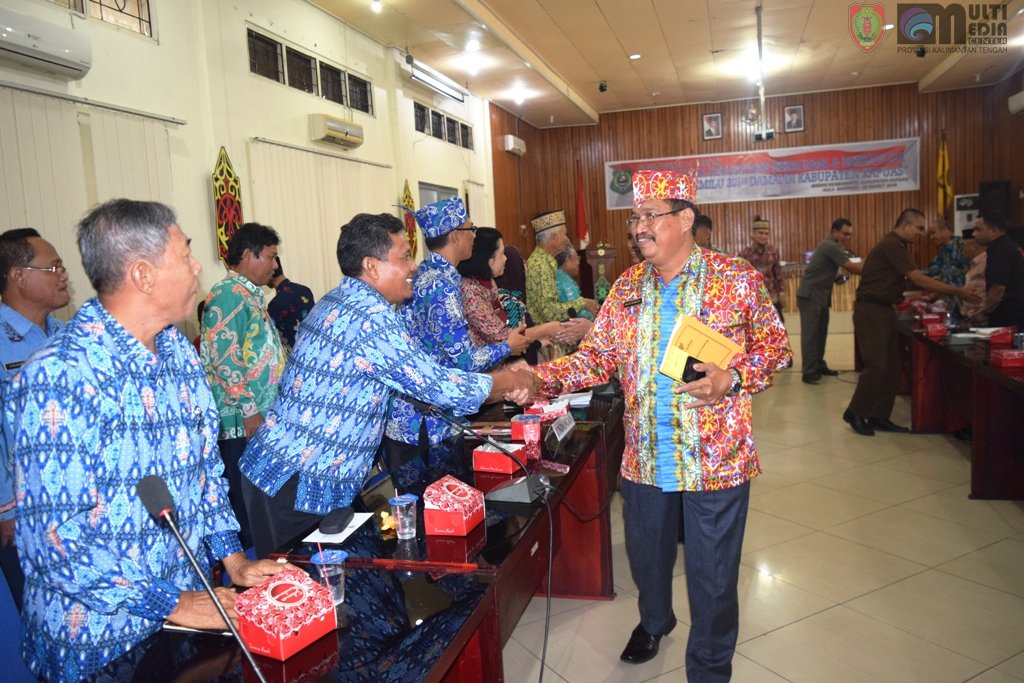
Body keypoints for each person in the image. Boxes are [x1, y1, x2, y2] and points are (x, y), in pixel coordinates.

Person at [5, 199, 284, 681]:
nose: (199, 267)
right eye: (185, 255)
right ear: (143, 275)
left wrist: (233, 559)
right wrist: (173, 602)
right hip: (100, 642)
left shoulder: (176, 348)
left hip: (183, 620)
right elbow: (54, 543)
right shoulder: (61, 377)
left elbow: (205, 471)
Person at [532, 170, 791, 679]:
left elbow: (776, 350)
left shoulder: (735, 278)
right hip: (645, 456)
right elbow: (596, 359)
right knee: (647, 560)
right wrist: (536, 379)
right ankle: (654, 621)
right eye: (635, 218)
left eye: (651, 216)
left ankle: (711, 667)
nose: (638, 228)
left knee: (713, 576)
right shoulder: (627, 285)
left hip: (716, 458)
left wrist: (732, 379)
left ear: (686, 218)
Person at [240, 213, 537, 558]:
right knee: (310, 596)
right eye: (404, 257)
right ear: (371, 266)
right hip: (293, 482)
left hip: (303, 477)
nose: (413, 267)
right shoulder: (368, 318)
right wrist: (510, 381)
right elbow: (439, 385)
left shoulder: (345, 300)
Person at [843, 209, 981, 437]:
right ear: (905, 225)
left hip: (884, 310)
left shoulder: (899, 247)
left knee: (892, 368)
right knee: (877, 366)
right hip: (871, 311)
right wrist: (957, 290)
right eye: (918, 228)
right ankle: (855, 412)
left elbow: (908, 280)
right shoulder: (891, 245)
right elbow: (916, 278)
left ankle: (879, 416)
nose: (921, 234)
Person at [201, 222, 286, 548]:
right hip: (241, 420)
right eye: (270, 257)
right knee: (245, 498)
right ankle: (249, 565)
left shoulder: (245, 295)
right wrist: (250, 411)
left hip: (258, 414)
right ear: (249, 256)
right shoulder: (227, 295)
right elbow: (226, 359)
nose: (275, 265)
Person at [0, 229, 70, 614]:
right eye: (53, 266)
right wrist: (4, 508)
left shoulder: (67, 336)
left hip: (79, 504)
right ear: (17, 275)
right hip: (27, 511)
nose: (63, 274)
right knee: (44, 616)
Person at [457, 227, 562, 349]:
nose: (506, 259)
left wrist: (538, 340)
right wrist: (547, 329)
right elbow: (503, 337)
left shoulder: (488, 283)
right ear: (488, 260)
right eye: (502, 254)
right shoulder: (470, 292)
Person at [796, 218, 864, 384]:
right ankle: (809, 372)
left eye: (850, 235)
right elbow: (853, 267)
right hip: (811, 296)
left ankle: (818, 364)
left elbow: (826, 271)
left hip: (820, 296)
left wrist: (837, 277)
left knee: (820, 334)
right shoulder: (830, 246)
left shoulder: (833, 246)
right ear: (834, 231)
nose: (847, 237)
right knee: (811, 335)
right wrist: (877, 268)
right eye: (845, 234)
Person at [525, 209, 598, 325]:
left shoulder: (545, 262)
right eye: (564, 234)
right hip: (548, 338)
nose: (567, 239)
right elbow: (549, 313)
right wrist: (583, 303)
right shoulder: (540, 266)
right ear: (554, 237)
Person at [972, 211, 1024, 330]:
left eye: (978, 230)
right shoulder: (1007, 245)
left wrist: (984, 313)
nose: (974, 234)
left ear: (993, 230)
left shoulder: (1001, 250)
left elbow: (998, 288)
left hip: (1009, 315)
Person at [738, 216, 785, 319]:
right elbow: (740, 278)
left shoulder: (773, 251)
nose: (763, 236)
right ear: (753, 234)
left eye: (766, 234)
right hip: (753, 300)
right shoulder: (745, 254)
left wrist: (782, 292)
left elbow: (778, 273)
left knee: (777, 329)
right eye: (760, 233)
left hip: (772, 298)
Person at [267, 256, 316, 352]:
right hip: (312, 347)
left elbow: (271, 337)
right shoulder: (305, 290)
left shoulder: (275, 303)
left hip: (293, 355)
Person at [921, 217, 968, 287]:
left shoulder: (962, 245)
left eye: (933, 233)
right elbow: (934, 269)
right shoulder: (943, 250)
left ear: (945, 230)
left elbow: (969, 270)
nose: (931, 237)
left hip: (964, 294)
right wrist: (914, 274)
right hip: (949, 295)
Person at [555, 245, 595, 321]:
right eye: (576, 258)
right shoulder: (564, 282)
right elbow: (580, 315)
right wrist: (595, 316)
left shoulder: (559, 275)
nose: (578, 263)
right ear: (567, 261)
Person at [958, 228, 988, 321]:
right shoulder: (974, 264)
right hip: (970, 317)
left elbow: (993, 291)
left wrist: (982, 313)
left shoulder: (986, 263)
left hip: (980, 318)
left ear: (974, 246)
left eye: (964, 246)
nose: (962, 251)